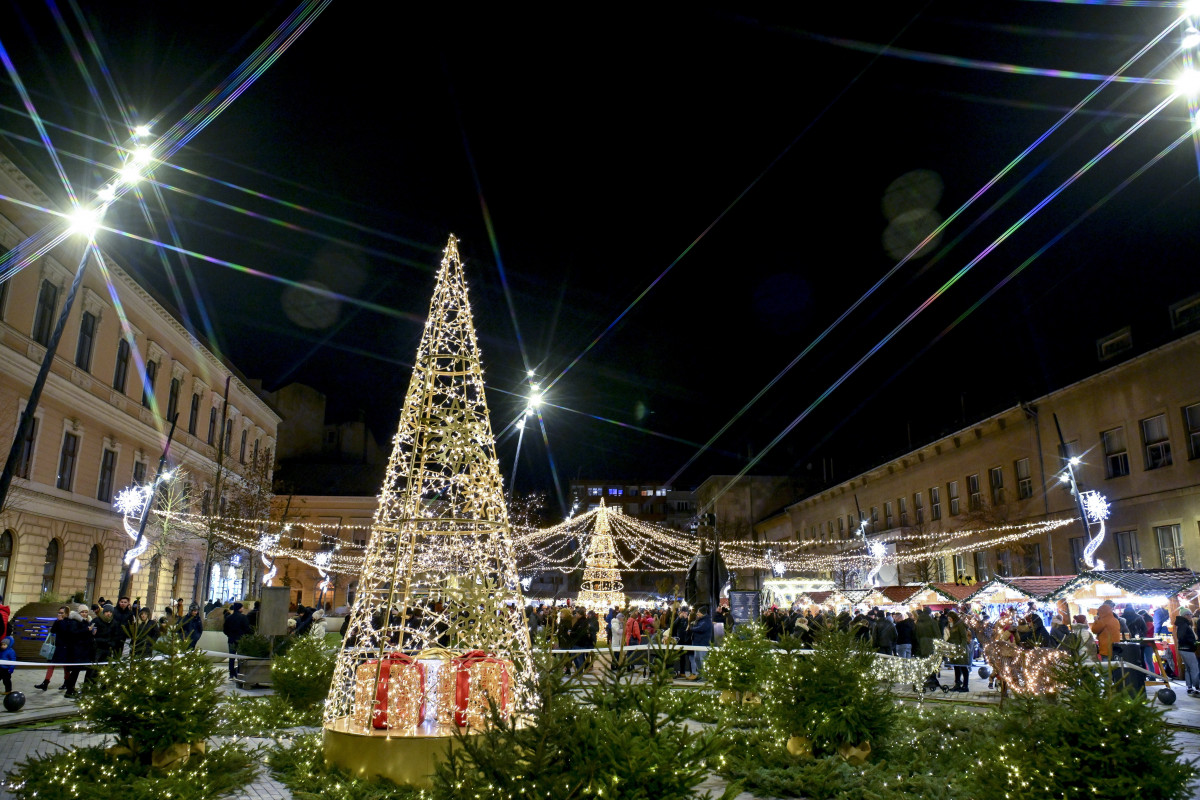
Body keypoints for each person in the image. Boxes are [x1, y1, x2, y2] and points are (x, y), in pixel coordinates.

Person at [223, 602, 252, 679]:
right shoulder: (243, 617)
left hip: (231, 639)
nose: (243, 609)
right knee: (240, 657)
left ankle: (231, 674)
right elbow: (247, 629)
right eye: (242, 607)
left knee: (231, 657)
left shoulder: (229, 618)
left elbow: (225, 630)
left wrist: (229, 635)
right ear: (239, 608)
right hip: (241, 640)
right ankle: (239, 672)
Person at [946, 611, 972, 692]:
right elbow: (952, 636)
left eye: (950, 618)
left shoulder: (960, 624)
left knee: (963, 667)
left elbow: (963, 637)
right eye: (948, 619)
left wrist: (962, 647)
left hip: (960, 649)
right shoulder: (952, 625)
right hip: (954, 649)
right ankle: (957, 684)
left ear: (953, 618)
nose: (949, 620)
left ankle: (965, 686)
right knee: (956, 667)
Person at [1176, 608, 1199, 696]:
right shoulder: (1184, 624)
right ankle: (1197, 687)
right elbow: (1181, 637)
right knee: (1194, 668)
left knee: (1188, 668)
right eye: (1188, 614)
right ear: (1184, 615)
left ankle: (1189, 687)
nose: (1191, 615)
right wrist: (1192, 642)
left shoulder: (1182, 623)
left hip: (1184, 648)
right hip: (1187, 648)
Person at [688, 605, 714, 681]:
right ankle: (700, 674)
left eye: (698, 613)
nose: (697, 614)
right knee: (697, 659)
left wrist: (692, 628)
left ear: (702, 613)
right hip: (697, 643)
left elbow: (701, 629)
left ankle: (705, 676)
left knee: (703, 660)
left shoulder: (706, 621)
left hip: (703, 644)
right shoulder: (700, 620)